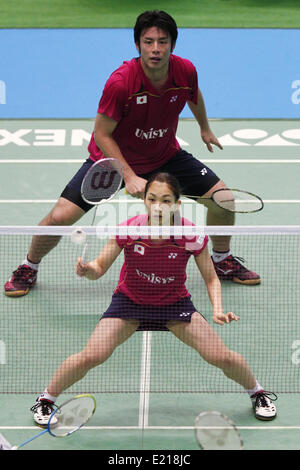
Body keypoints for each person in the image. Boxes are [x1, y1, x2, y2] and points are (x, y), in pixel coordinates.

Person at [4, 9, 260, 298]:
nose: (155, 49)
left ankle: (221, 260)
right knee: (60, 217)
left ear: (173, 44)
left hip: (165, 156)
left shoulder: (184, 70)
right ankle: (29, 266)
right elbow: (101, 134)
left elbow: (193, 94)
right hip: (112, 162)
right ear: (138, 44)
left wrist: (204, 127)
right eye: (148, 41)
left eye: (162, 42)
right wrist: (128, 175)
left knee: (223, 199)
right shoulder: (121, 82)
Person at [31, 173, 276, 426]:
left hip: (174, 304)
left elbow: (212, 279)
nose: (158, 206)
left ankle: (258, 393)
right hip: (130, 302)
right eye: (152, 198)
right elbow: (100, 267)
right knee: (91, 356)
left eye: (166, 200)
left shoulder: (190, 234)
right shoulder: (129, 229)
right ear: (144, 201)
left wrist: (217, 309)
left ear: (177, 204)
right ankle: (46, 399)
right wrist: (88, 270)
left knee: (221, 356)